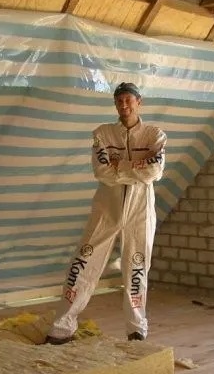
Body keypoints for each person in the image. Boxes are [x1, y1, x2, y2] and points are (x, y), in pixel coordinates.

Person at [44, 82, 166, 344]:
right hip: (106, 209)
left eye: (128, 100)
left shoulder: (155, 135)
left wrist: (119, 165)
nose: (124, 105)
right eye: (119, 101)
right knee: (82, 263)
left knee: (137, 268)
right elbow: (101, 172)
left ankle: (137, 329)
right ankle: (62, 327)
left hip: (141, 211)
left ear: (139, 102)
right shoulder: (102, 133)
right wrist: (136, 167)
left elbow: (154, 171)